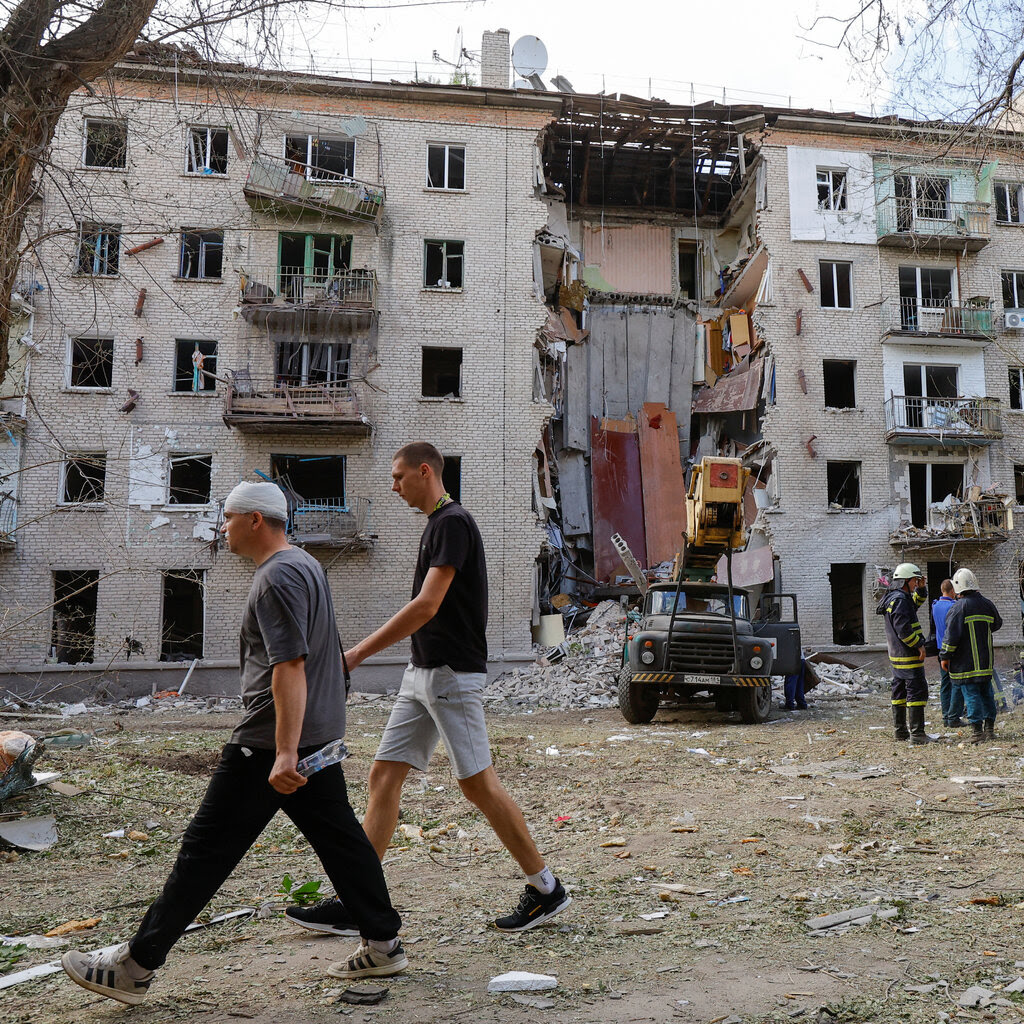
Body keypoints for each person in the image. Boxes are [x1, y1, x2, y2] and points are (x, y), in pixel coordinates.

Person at [61, 482, 406, 1005]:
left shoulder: (275, 577)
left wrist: (285, 750)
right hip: (310, 733)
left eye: (226, 518)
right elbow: (323, 654)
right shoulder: (306, 564)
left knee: (205, 851)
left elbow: (289, 665)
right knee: (341, 840)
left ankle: (135, 967)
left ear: (254, 521)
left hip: (271, 742)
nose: (221, 528)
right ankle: (383, 943)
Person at [287, 442, 571, 937]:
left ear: (425, 472)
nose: (394, 487)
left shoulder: (453, 523)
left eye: (398, 477)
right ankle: (361, 900)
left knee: (477, 783)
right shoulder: (438, 526)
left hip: (450, 675)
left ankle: (546, 889)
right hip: (422, 673)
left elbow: (426, 606)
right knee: (383, 774)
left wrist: (354, 654)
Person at [940, 567, 1002, 744]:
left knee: (971, 694)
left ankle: (977, 733)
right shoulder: (987, 604)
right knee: (986, 694)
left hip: (966, 664)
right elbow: (997, 624)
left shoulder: (958, 608)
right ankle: (989, 730)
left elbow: (951, 637)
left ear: (957, 587)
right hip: (985, 661)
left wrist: (945, 656)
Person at [877, 562, 933, 744]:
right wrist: (919, 645)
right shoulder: (900, 600)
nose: (916, 584)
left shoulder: (895, 597)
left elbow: (913, 606)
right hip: (908, 655)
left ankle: (900, 732)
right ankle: (917, 735)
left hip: (897, 656)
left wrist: (922, 590)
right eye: (915, 581)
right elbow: (903, 630)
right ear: (905, 581)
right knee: (916, 692)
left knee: (899, 692)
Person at [932, 579, 965, 728]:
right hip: (953, 650)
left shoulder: (935, 606)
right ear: (952, 591)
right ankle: (954, 716)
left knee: (945, 684)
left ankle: (946, 716)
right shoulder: (954, 607)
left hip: (941, 650)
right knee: (957, 683)